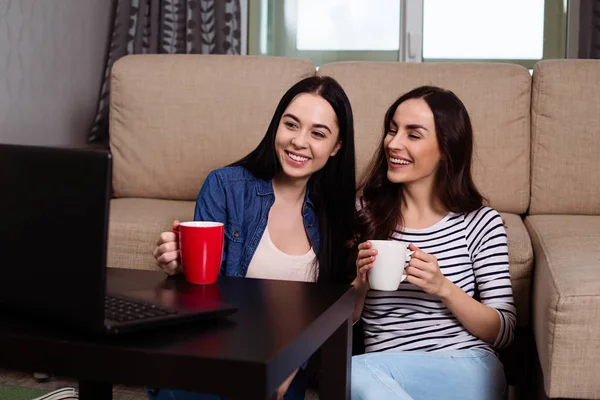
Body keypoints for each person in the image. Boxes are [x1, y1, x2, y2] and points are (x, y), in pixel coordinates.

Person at [149, 75, 357, 400]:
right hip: (216, 354)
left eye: (318, 134)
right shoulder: (225, 187)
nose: (299, 141)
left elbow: (331, 314)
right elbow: (202, 294)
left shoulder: (338, 213)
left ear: (337, 147)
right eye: (291, 125)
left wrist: (293, 364)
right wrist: (180, 268)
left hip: (285, 366)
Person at [350, 86, 516, 400]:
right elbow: (342, 323)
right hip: (383, 374)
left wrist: (442, 287)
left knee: (352, 372)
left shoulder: (479, 221)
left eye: (413, 135)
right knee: (348, 373)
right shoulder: (363, 214)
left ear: (446, 149)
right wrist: (359, 282)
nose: (394, 144)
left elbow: (504, 330)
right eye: (392, 130)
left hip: (467, 366)